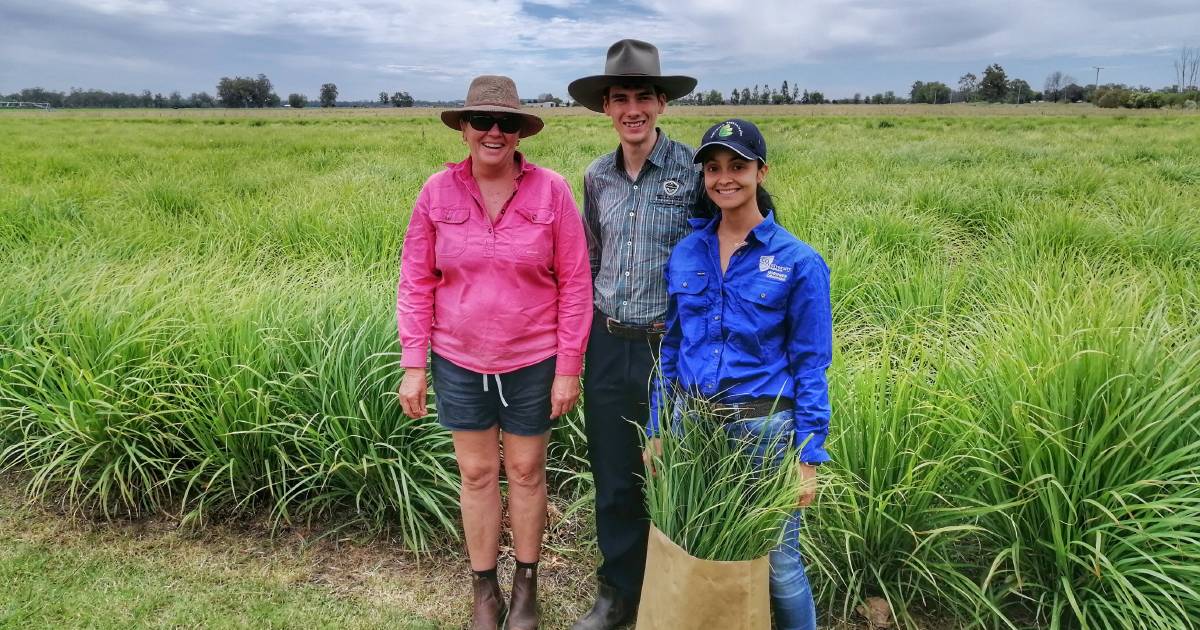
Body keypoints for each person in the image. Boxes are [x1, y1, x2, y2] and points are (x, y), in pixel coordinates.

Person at [395, 75, 593, 630]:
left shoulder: (551, 190)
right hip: (458, 358)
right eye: (482, 121)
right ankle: (485, 589)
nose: (494, 132)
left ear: (519, 132)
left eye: (506, 123)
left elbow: (576, 284)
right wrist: (415, 364)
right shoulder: (436, 192)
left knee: (528, 471)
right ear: (463, 129)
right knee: (477, 473)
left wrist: (568, 368)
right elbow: (415, 281)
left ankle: (525, 586)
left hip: (534, 357)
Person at [649, 118, 832, 630]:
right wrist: (658, 428)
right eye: (713, 168)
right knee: (693, 543)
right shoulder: (688, 251)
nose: (724, 178)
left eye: (737, 166)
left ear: (761, 171)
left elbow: (812, 364)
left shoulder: (798, 261)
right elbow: (673, 347)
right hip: (692, 423)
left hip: (763, 432)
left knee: (779, 561)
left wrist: (809, 456)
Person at [565, 39, 701, 630]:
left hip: (673, 350)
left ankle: (678, 594)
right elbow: (589, 261)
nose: (632, 108)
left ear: (662, 102)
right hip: (609, 342)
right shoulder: (596, 177)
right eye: (620, 98)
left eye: (643, 95)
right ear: (606, 108)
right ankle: (618, 593)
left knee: (676, 469)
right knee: (615, 474)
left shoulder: (696, 171)